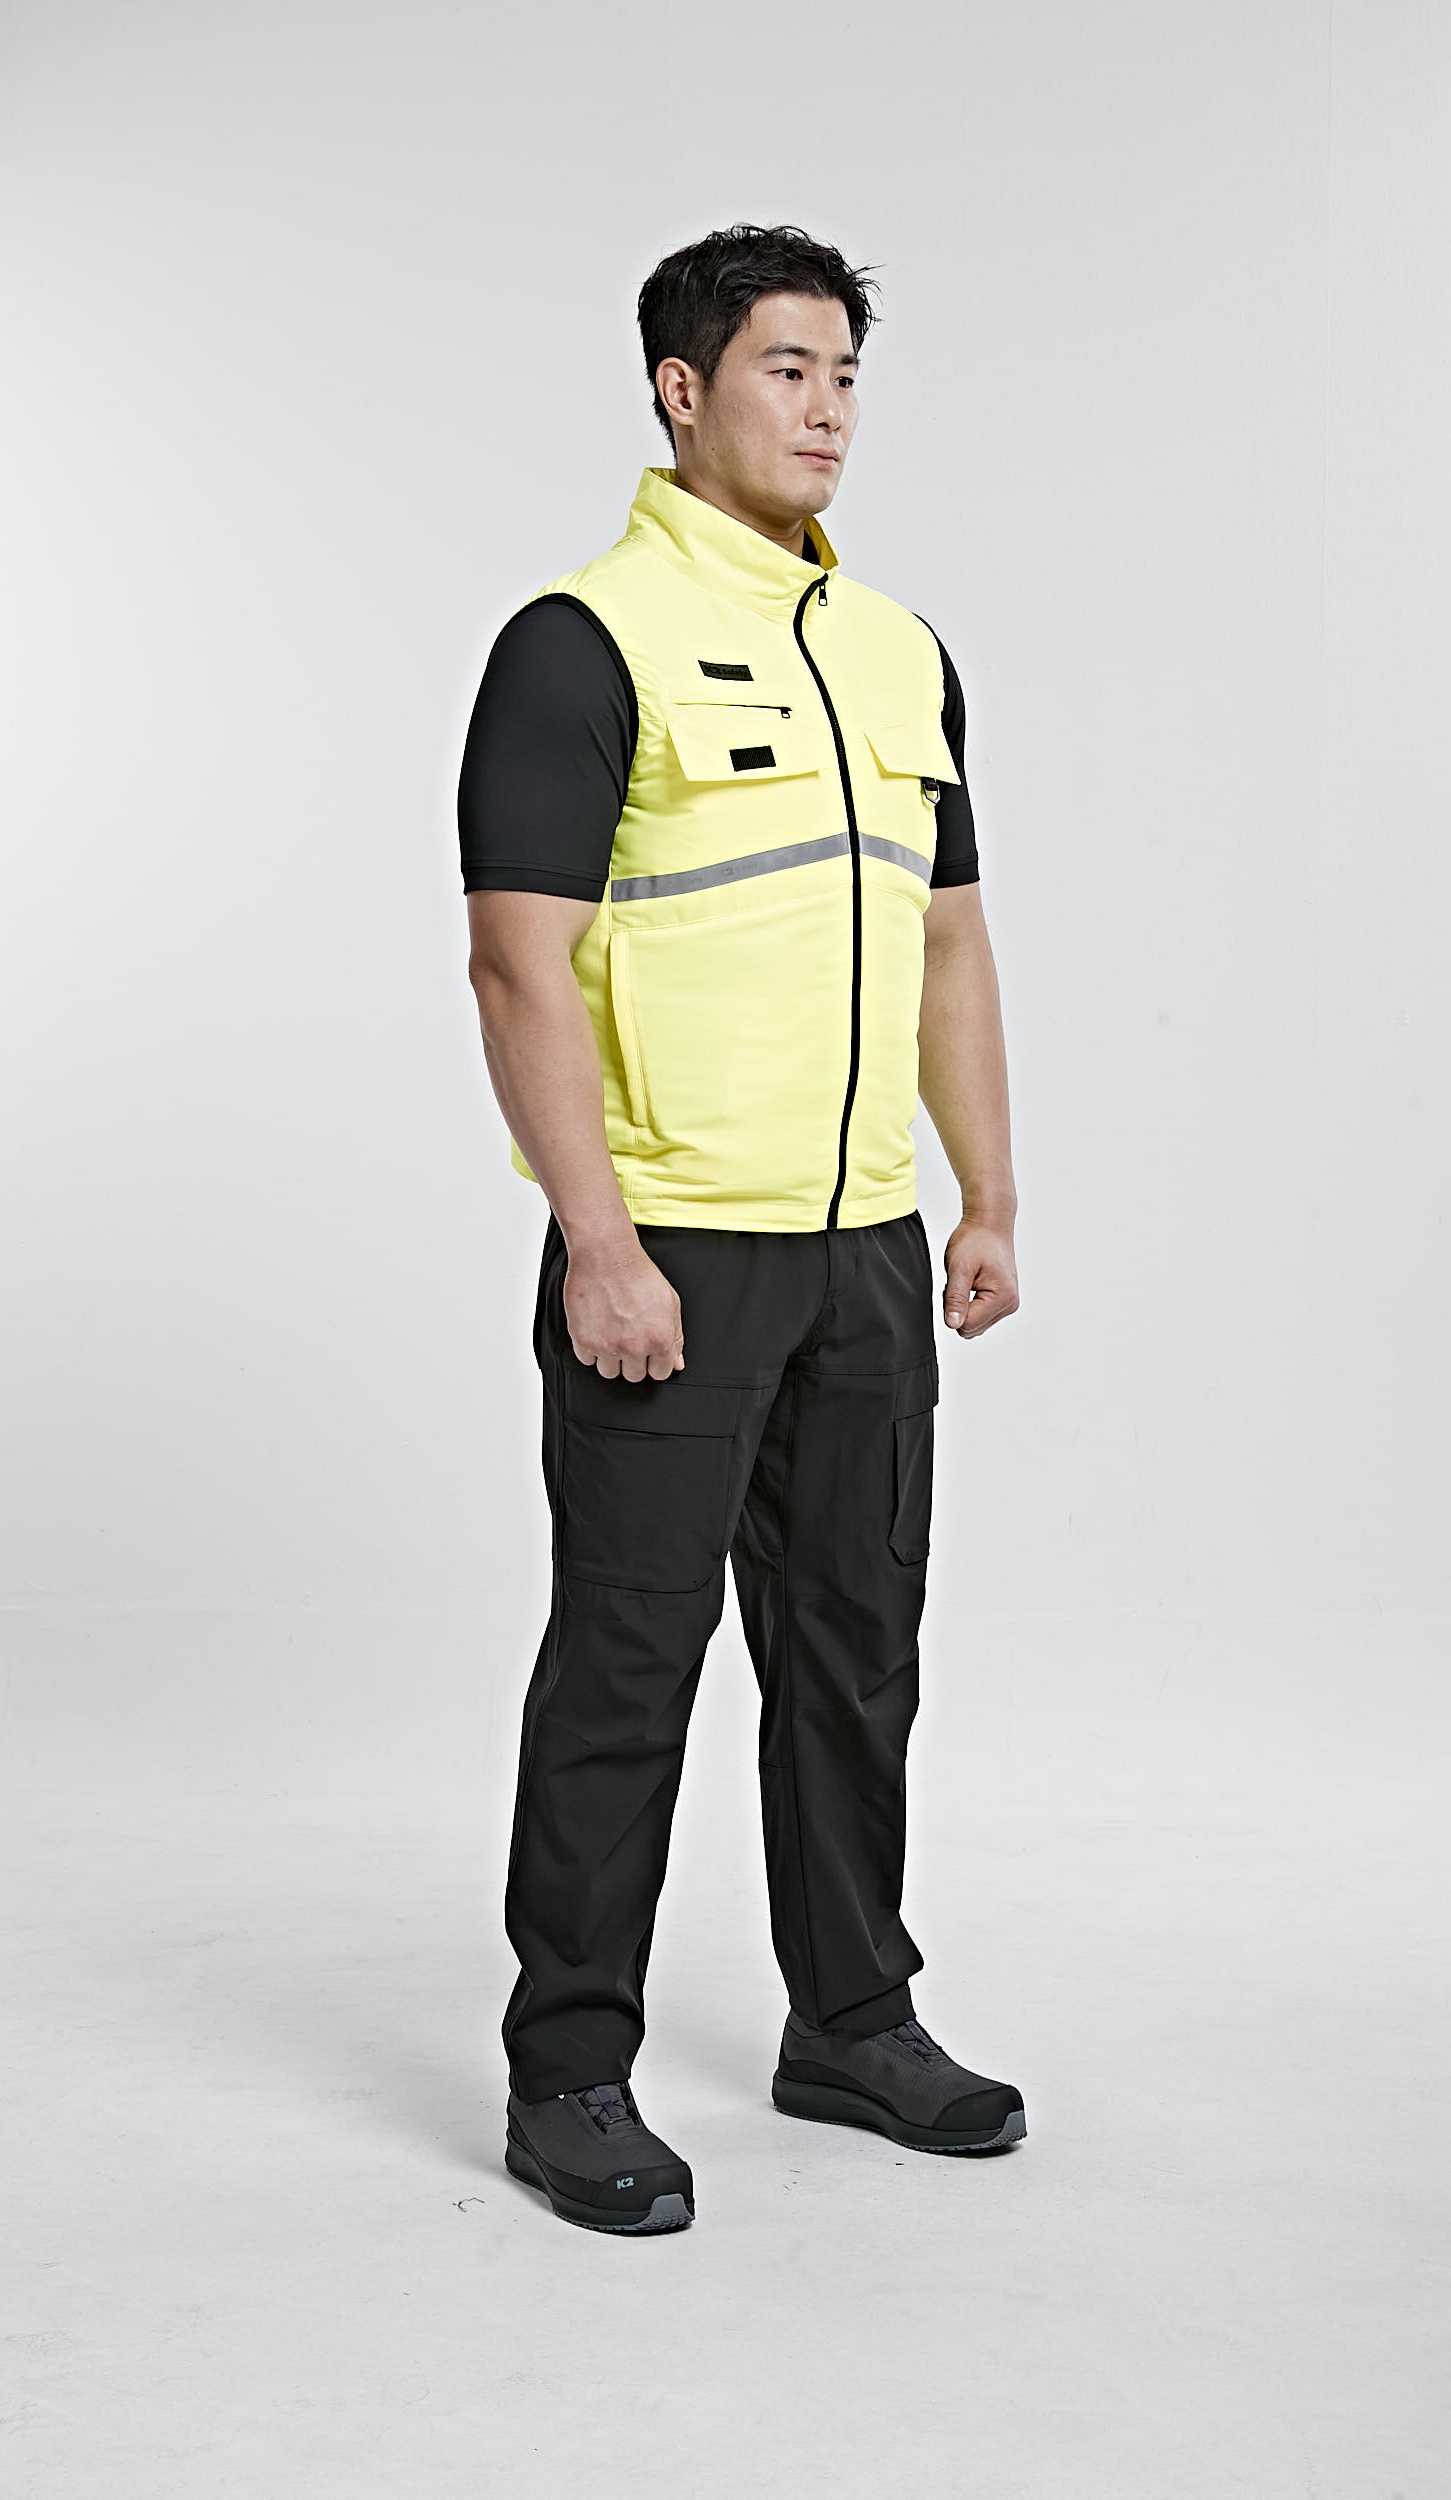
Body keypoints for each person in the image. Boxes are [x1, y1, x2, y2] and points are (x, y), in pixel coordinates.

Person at [458, 224, 1023, 2236]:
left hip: (865, 1241)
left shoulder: (900, 651)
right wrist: (596, 1239)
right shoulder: (580, 640)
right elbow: (519, 963)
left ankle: (853, 2020)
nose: (829, 408)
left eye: (846, 373)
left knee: (858, 1649)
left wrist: (986, 1190)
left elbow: (949, 943)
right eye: (788, 368)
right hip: (674, 1243)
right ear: (682, 389)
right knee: (629, 1664)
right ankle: (569, 2070)